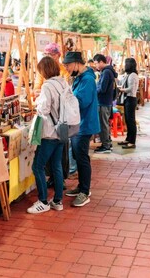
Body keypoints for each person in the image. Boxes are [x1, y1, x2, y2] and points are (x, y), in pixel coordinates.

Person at [27, 57, 68, 214]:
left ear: (44, 71)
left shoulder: (47, 86)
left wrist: (37, 101)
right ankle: (57, 200)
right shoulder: (63, 82)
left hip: (50, 132)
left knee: (38, 166)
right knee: (56, 165)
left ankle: (43, 201)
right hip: (62, 130)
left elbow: (43, 109)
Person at [62, 51, 100, 207]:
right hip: (79, 124)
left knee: (82, 158)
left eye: (68, 65)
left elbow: (81, 102)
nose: (67, 69)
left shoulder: (88, 80)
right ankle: (82, 187)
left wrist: (65, 97)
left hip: (84, 125)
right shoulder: (80, 78)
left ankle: (85, 191)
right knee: (79, 156)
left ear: (77, 63)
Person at [93, 54, 117, 154]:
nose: (96, 66)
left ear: (102, 62)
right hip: (106, 101)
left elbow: (102, 88)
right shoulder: (108, 71)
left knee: (103, 124)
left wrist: (94, 90)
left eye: (96, 63)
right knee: (105, 124)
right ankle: (106, 143)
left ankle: (106, 145)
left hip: (103, 102)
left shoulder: (106, 72)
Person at [117, 58, 139, 149]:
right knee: (127, 120)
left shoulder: (133, 75)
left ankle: (132, 141)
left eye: (126, 64)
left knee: (131, 121)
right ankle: (128, 139)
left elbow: (131, 88)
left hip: (131, 99)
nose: (125, 66)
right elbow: (122, 83)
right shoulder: (128, 74)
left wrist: (121, 90)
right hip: (128, 99)